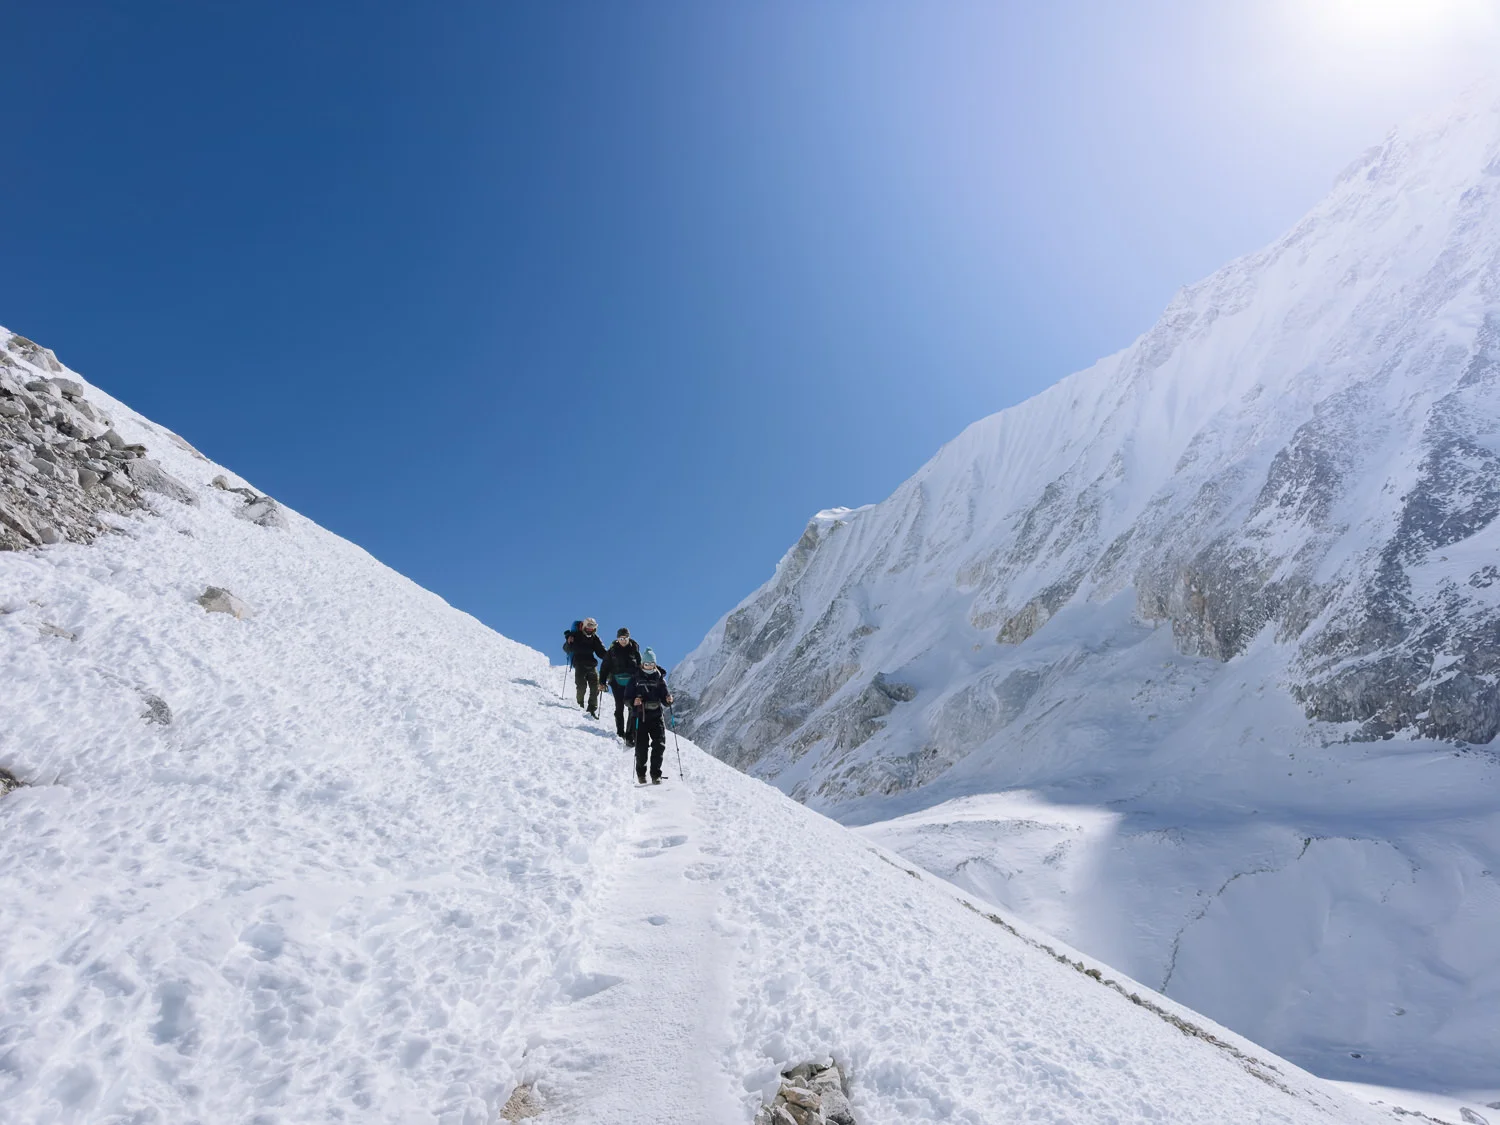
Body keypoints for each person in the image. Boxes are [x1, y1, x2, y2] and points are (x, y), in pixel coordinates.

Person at [629, 648, 673, 784]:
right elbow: (627, 698)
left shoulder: (660, 679)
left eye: (651, 664)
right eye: (646, 664)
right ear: (642, 664)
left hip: (656, 716)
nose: (649, 666)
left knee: (659, 745)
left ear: (654, 664)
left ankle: (656, 775)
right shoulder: (635, 678)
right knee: (641, 747)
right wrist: (633, 702)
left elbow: (665, 698)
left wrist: (668, 700)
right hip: (640, 716)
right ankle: (641, 774)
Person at [598, 627, 643, 741]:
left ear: (629, 638)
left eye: (625, 638)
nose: (623, 640)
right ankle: (620, 732)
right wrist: (602, 682)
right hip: (616, 682)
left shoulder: (635, 650)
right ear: (617, 639)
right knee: (619, 707)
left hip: (631, 683)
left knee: (631, 708)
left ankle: (630, 734)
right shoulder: (612, 651)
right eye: (621, 638)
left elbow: (640, 667)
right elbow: (604, 668)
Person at [562, 617, 608, 717]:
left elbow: (601, 651)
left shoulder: (594, 638)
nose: (590, 630)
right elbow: (566, 648)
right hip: (579, 663)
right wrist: (568, 642)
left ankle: (591, 709)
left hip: (591, 664)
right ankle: (579, 705)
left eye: (592, 628)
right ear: (584, 626)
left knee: (595, 687)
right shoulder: (575, 636)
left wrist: (609, 657)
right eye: (588, 627)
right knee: (581, 686)